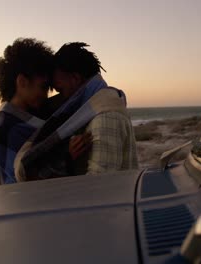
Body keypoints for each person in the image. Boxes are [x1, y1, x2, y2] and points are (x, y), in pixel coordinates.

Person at [0, 38, 90, 184]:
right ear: (22, 82)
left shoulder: (37, 116)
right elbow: (25, 178)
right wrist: (67, 157)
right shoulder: (7, 129)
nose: (46, 95)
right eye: (43, 87)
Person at [51, 42, 138, 174]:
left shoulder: (106, 116)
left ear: (75, 78)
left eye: (60, 90)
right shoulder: (97, 109)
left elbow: (99, 185)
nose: (61, 98)